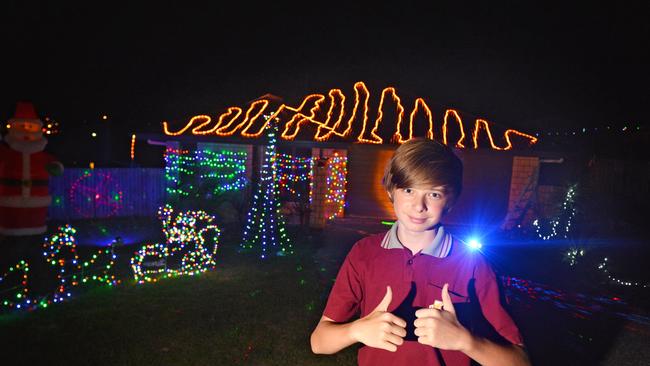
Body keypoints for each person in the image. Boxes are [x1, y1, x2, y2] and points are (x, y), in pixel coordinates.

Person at [310, 138, 530, 366]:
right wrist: (356, 331)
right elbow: (319, 342)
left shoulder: (472, 265)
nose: (419, 205)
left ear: (450, 199)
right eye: (408, 190)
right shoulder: (363, 254)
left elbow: (520, 361)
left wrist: (465, 341)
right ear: (390, 189)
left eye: (433, 194)